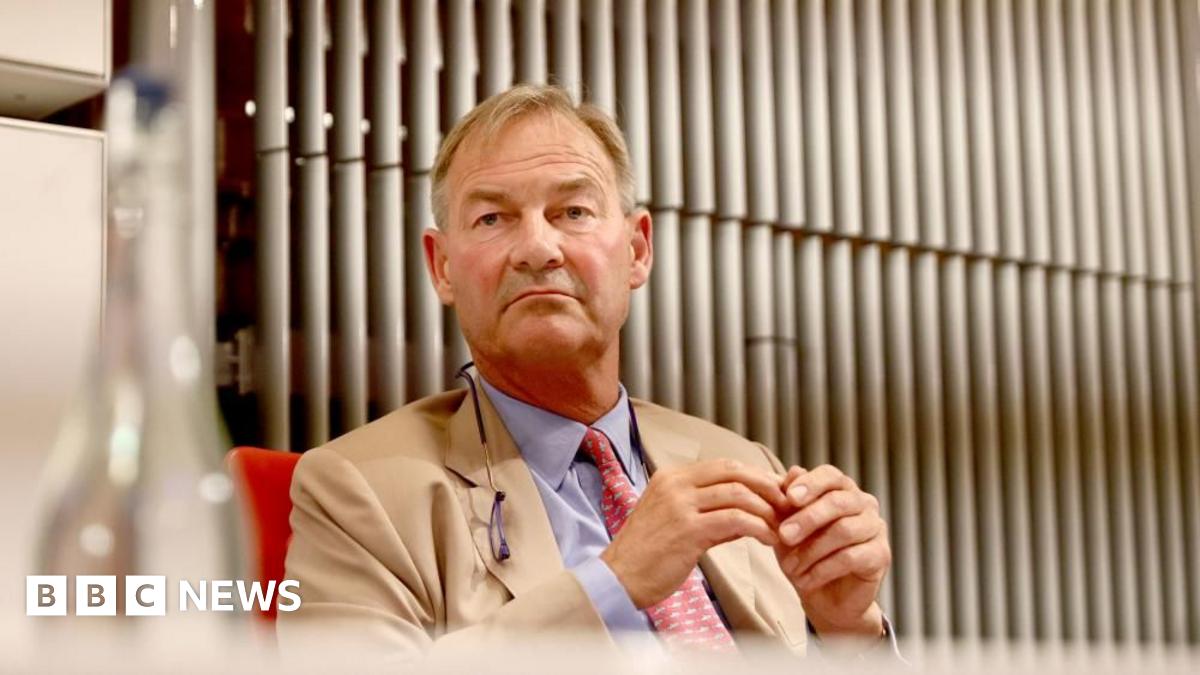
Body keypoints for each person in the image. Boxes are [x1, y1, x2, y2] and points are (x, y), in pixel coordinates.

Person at [277, 84, 894, 662]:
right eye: (492, 219)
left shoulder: (742, 464)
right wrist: (613, 584)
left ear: (637, 249)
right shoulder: (356, 491)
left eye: (572, 211)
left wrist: (850, 630)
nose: (537, 248)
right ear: (442, 267)